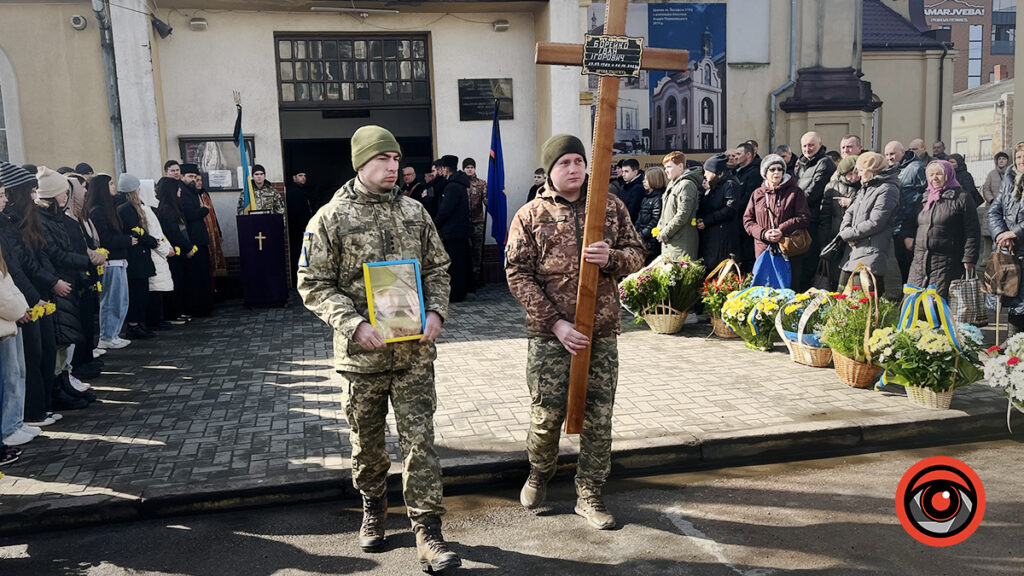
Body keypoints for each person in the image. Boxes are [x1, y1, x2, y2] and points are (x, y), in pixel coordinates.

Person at [297, 125, 460, 572]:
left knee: (419, 443)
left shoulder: (415, 212)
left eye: (396, 159)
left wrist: (436, 314)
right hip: (362, 356)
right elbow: (311, 283)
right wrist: (352, 324)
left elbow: (439, 268)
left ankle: (428, 531)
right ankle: (374, 509)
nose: (393, 167)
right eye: (382, 159)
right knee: (366, 445)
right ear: (360, 163)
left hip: (413, 357)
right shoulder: (331, 218)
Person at [505, 133, 644, 531]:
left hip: (600, 331)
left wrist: (613, 257)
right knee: (547, 415)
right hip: (550, 336)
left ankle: (591, 493)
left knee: (599, 417)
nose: (574, 169)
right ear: (550, 170)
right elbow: (517, 275)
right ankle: (539, 473)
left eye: (579, 162)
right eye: (564, 163)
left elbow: (637, 254)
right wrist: (556, 323)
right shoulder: (530, 215)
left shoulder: (610, 206)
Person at [34, 168, 93, 409]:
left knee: (64, 339)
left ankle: (64, 382)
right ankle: (58, 389)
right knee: (59, 339)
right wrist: (84, 260)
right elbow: (51, 253)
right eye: (64, 192)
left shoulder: (54, 217)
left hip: (66, 281)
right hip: (57, 284)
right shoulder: (42, 219)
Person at [906, 160, 980, 299]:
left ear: (948, 175)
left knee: (937, 305)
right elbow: (910, 221)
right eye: (931, 174)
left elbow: (972, 230)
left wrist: (969, 257)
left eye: (939, 174)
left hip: (947, 261)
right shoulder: (924, 198)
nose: (934, 178)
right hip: (920, 261)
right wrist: (907, 236)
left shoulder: (962, 198)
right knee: (913, 303)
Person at [743, 154, 811, 283]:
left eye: (780, 169)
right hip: (763, 249)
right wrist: (763, 233)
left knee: (789, 288)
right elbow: (748, 220)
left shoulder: (795, 192)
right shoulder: (757, 194)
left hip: (788, 248)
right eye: (772, 169)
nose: (777, 172)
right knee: (764, 288)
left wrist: (781, 230)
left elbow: (804, 217)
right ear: (765, 173)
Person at [836, 152, 898, 294]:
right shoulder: (866, 187)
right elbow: (850, 212)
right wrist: (845, 232)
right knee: (842, 298)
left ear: (872, 170)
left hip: (872, 251)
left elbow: (876, 221)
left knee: (861, 301)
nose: (858, 174)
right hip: (854, 251)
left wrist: (850, 234)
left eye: (861, 170)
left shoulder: (887, 189)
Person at [1, 235, 33, 454]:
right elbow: (2, 298)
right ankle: (9, 427)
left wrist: (23, 306)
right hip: (5, 324)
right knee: (10, 376)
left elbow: (10, 285)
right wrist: (20, 310)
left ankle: (16, 422)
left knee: (18, 372)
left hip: (10, 322)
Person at [793, 131, 837, 291]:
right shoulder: (801, 164)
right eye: (804, 145)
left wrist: (792, 202)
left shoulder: (825, 163)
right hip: (802, 217)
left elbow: (813, 192)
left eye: (811, 145)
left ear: (820, 144)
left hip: (815, 220)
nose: (807, 148)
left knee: (809, 264)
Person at [989, 142, 1024, 334]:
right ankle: (1013, 348)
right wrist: (1001, 234)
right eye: (1018, 157)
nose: (1021, 160)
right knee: (1013, 299)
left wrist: (1016, 231)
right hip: (1011, 251)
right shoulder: (1009, 180)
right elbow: (994, 210)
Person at [885, 140, 928, 284]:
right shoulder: (892, 170)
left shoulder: (916, 168)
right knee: (902, 265)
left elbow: (923, 201)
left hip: (910, 227)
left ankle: (914, 299)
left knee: (912, 267)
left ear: (902, 152)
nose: (889, 157)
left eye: (892, 154)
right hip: (897, 226)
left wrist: (910, 232)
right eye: (886, 155)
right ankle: (905, 296)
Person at [434, 155, 473, 302]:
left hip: (453, 232)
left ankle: (456, 293)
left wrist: (434, 224)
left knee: (455, 265)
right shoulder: (458, 185)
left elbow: (445, 210)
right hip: (458, 231)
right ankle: (459, 291)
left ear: (445, 169)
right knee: (459, 263)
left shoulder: (452, 187)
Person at [819, 155, 861, 287]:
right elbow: (825, 215)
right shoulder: (832, 187)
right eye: (850, 174)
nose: (854, 177)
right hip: (834, 236)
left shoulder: (864, 188)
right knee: (833, 276)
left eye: (856, 173)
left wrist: (852, 203)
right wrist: (823, 241)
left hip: (855, 237)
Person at [155, 178, 191, 325]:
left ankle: (178, 311)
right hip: (173, 252)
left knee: (179, 283)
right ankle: (172, 314)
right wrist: (187, 247)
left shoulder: (174, 207)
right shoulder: (167, 209)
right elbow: (173, 233)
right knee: (174, 283)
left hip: (178, 251)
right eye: (177, 188)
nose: (180, 190)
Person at [698, 153, 744, 271]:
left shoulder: (730, 184)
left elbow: (729, 209)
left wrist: (707, 221)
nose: (705, 174)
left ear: (715, 172)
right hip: (712, 237)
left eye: (707, 171)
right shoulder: (715, 185)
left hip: (724, 238)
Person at [178, 164, 213, 317]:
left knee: (202, 274)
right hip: (192, 241)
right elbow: (188, 214)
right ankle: (197, 307)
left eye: (195, 177)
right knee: (195, 276)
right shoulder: (183, 193)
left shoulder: (192, 192)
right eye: (190, 177)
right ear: (182, 177)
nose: (193, 180)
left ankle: (204, 306)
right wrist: (204, 210)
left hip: (199, 239)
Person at [657, 151, 702, 261]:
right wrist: (660, 227)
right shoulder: (673, 183)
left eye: (669, 167)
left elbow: (683, 214)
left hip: (681, 245)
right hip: (671, 243)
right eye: (665, 167)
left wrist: (665, 232)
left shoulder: (687, 185)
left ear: (680, 166)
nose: (666, 170)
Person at [980, 151, 1010, 266]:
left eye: (1004, 159)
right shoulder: (991, 174)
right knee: (988, 235)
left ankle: (1001, 260)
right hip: (992, 208)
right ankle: (986, 260)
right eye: (999, 159)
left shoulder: (1010, 173)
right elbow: (986, 188)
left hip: (1007, 209)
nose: (1001, 161)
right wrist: (992, 200)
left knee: (1002, 235)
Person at [462, 158, 487, 286]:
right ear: (463, 169)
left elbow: (486, 200)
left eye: (472, 167)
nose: (470, 169)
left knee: (477, 250)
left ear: (475, 169)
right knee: (466, 250)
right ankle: (467, 277)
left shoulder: (481, 183)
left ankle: (476, 277)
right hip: (464, 223)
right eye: (467, 167)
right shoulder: (460, 183)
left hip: (477, 222)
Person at [286, 169, 313, 284]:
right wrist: (303, 228)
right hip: (298, 230)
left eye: (304, 175)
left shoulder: (302, 190)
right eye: (300, 175)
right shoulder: (294, 192)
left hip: (303, 228)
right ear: (294, 177)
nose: (303, 178)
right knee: (300, 254)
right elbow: (298, 212)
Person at [635, 165, 665, 263]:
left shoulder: (659, 198)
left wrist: (642, 234)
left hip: (651, 241)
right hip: (642, 239)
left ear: (654, 180)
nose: (643, 182)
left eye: (646, 180)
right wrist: (635, 231)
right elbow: (639, 217)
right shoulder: (646, 197)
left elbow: (655, 220)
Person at [617, 158, 645, 223]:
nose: (623, 174)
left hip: (631, 225)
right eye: (623, 171)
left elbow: (633, 212)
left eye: (626, 171)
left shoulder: (639, 188)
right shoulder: (625, 185)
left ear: (635, 172)